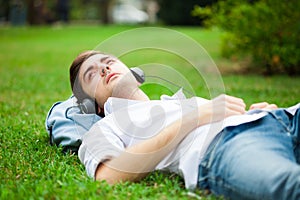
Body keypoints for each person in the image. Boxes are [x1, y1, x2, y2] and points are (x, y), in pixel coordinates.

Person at [68, 50, 299, 200]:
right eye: (92, 75)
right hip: (225, 147)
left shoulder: (173, 103)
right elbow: (108, 176)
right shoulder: (105, 127)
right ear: (91, 105)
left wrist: (255, 113)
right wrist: (193, 118)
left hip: (280, 120)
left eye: (108, 62)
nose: (105, 69)